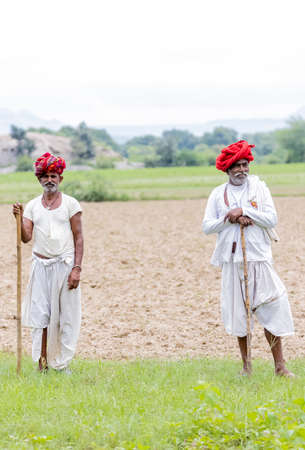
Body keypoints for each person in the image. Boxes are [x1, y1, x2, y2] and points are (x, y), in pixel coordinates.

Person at [202, 140, 294, 377]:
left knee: (273, 305)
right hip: (232, 261)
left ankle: (280, 367)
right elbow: (207, 227)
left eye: (245, 165)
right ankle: (246, 367)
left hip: (259, 258)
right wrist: (229, 218)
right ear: (227, 169)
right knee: (239, 314)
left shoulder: (259, 188)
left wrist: (244, 211)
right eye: (237, 166)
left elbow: (271, 219)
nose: (242, 170)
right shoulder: (217, 194)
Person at [12, 152, 83, 373]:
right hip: (40, 267)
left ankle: (61, 364)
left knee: (64, 317)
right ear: (39, 180)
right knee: (41, 316)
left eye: (54, 175)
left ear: (60, 178)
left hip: (65, 266)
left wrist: (76, 269)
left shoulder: (71, 204)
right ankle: (42, 364)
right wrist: (19, 217)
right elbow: (26, 238)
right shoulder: (33, 206)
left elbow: (79, 237)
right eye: (45, 176)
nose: (49, 180)